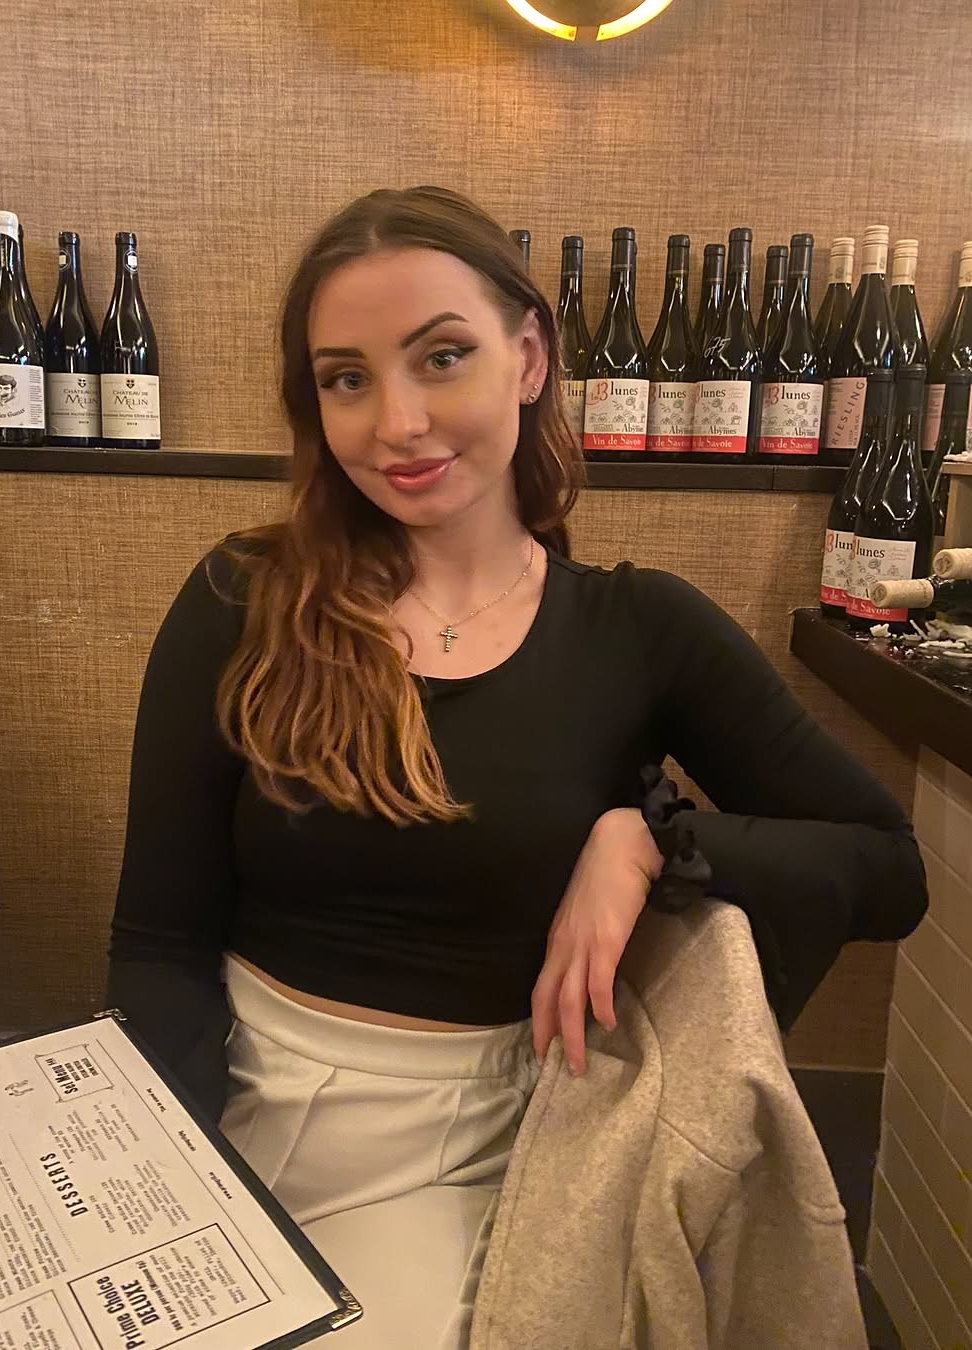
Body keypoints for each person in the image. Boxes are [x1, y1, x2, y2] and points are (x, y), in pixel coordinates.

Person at [107, 186, 927, 1348]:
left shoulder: (638, 629)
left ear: (529, 356)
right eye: (346, 379)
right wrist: (168, 1186)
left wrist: (650, 840)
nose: (397, 422)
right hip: (229, 1100)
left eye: (441, 358)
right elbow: (158, 944)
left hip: (488, 1153)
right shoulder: (241, 600)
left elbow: (891, 869)